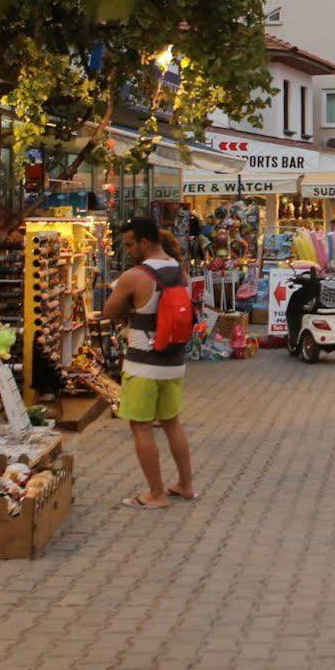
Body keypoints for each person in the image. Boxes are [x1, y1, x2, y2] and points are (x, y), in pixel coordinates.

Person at [104, 217, 197, 509]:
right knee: (172, 422)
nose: (129, 249)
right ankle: (186, 484)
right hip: (174, 361)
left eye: (131, 244)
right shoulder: (178, 271)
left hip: (143, 364)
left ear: (144, 241)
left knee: (141, 426)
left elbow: (108, 312)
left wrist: (125, 300)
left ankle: (155, 493)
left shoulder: (135, 275)